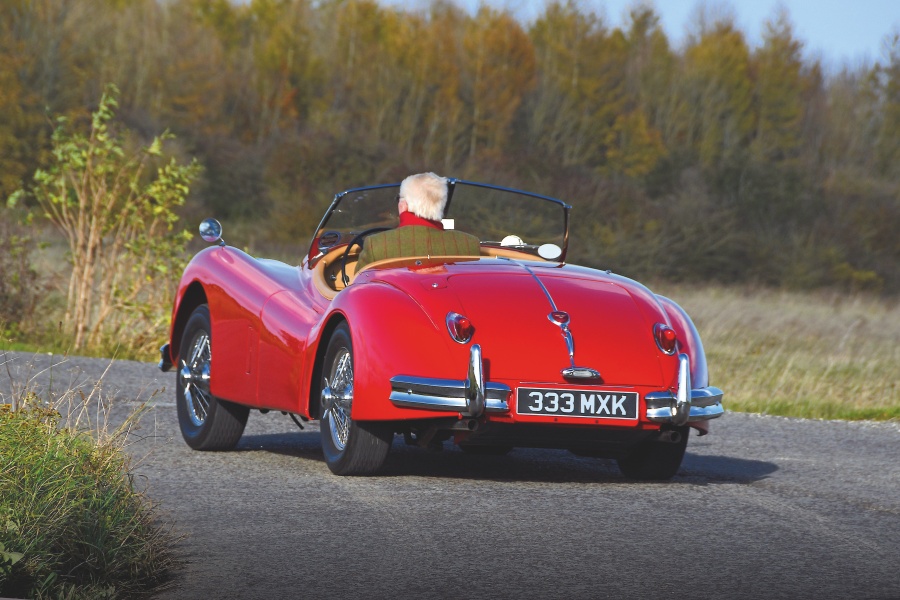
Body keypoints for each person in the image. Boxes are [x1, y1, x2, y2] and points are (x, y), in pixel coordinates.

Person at [354, 172, 481, 273]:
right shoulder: (468, 244)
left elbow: (355, 291)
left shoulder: (376, 245)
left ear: (403, 205)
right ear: (441, 206)